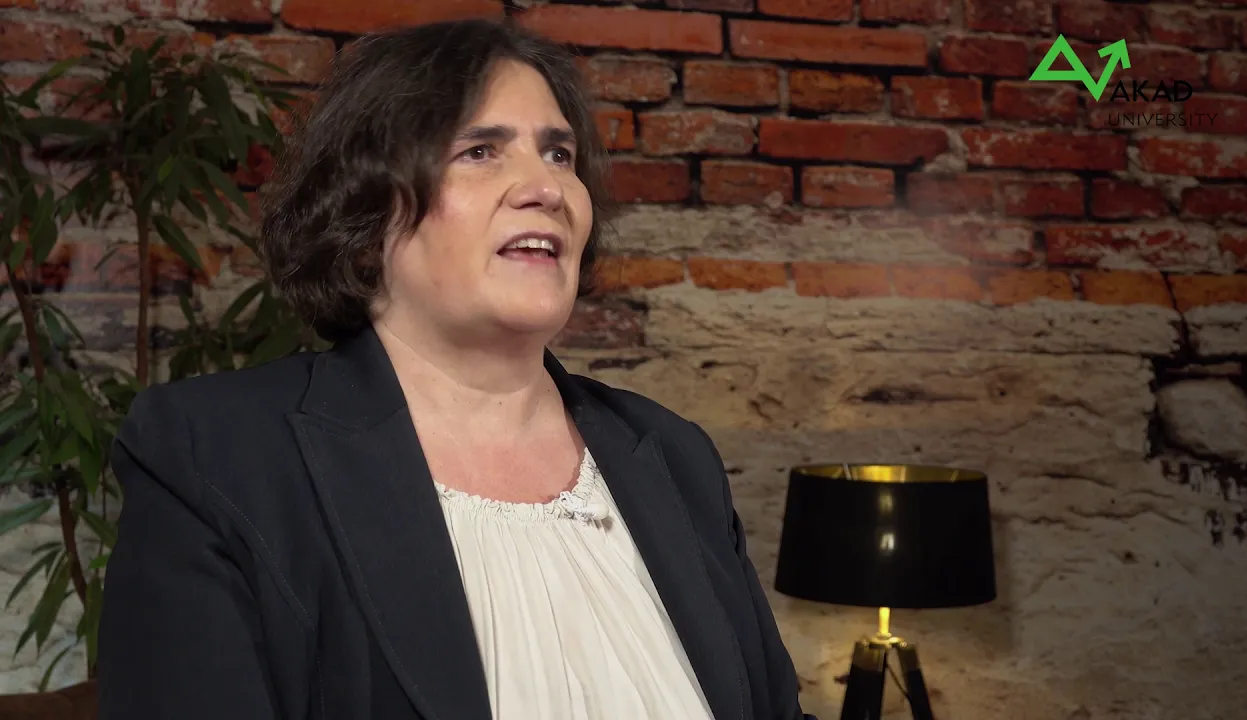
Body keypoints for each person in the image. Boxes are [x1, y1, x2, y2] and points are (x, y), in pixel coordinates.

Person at [97, 17, 816, 720]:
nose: (545, 187)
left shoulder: (675, 456)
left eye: (559, 154)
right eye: (479, 151)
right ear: (364, 214)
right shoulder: (216, 455)